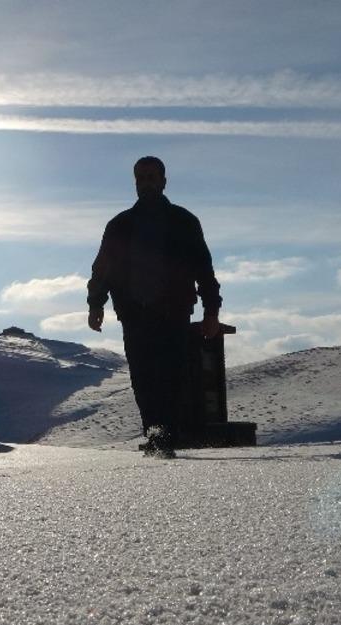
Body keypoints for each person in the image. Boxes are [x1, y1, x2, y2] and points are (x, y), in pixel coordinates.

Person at [87, 156, 222, 458]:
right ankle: (155, 432)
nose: (146, 183)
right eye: (141, 178)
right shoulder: (120, 225)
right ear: (135, 182)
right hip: (134, 314)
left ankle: (165, 436)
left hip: (173, 312)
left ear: (163, 181)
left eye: (151, 177)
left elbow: (204, 270)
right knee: (142, 376)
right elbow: (103, 269)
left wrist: (211, 311)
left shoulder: (184, 222)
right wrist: (96, 304)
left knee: (172, 375)